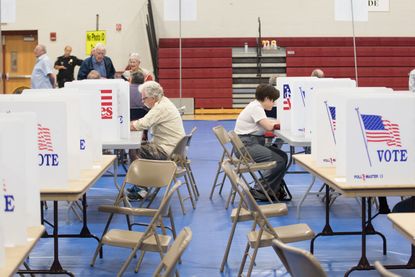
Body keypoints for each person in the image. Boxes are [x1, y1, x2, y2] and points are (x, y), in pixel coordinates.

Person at [128, 81, 185, 200]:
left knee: (135, 151)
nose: (142, 102)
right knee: (141, 147)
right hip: (174, 148)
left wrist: (122, 125)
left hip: (168, 150)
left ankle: (141, 188)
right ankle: (142, 184)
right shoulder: (164, 102)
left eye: (144, 99)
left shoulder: (160, 108)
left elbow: (140, 124)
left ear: (152, 98)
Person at [234, 84, 288, 201]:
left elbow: (266, 123)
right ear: (267, 98)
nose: (273, 104)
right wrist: (286, 123)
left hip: (249, 143)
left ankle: (272, 189)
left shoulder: (255, 106)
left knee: (283, 156)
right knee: (278, 161)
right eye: (273, 100)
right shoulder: (256, 108)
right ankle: (260, 190)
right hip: (246, 146)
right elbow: (268, 126)